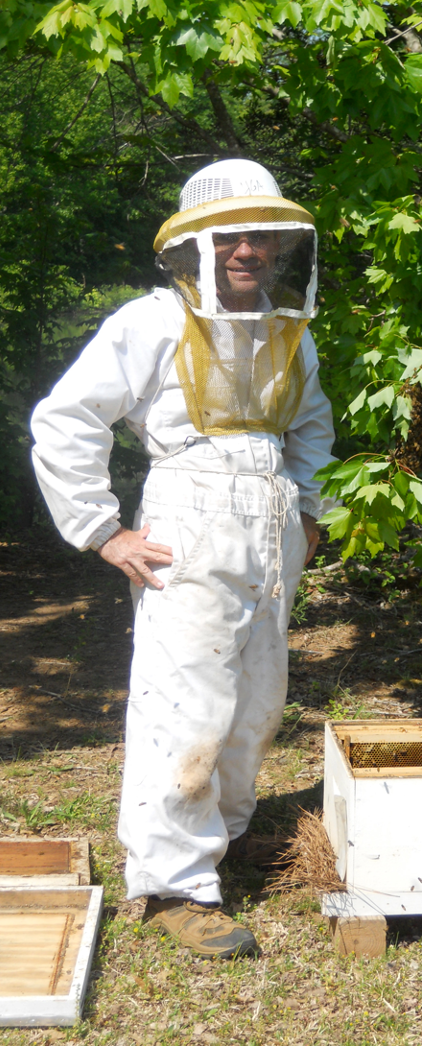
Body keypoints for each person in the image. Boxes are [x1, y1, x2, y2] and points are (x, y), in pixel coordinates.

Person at [31, 160, 335, 958]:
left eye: (260, 235)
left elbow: (310, 427)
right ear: (192, 244)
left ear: (279, 246)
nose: (247, 249)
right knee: (187, 703)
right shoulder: (150, 322)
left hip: (268, 526)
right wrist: (102, 530)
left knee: (257, 700)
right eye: (228, 234)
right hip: (186, 521)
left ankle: (222, 846)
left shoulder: (283, 332)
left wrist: (306, 507)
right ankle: (173, 883)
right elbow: (66, 420)